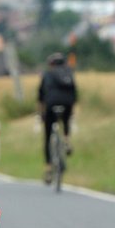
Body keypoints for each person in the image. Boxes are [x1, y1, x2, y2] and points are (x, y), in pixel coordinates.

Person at [38, 52, 77, 183]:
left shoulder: (47, 74)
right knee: (66, 120)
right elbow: (74, 92)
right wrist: (71, 109)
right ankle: (66, 140)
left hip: (51, 105)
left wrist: (41, 114)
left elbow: (41, 95)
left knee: (48, 136)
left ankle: (48, 168)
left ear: (51, 64)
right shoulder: (69, 73)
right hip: (67, 104)